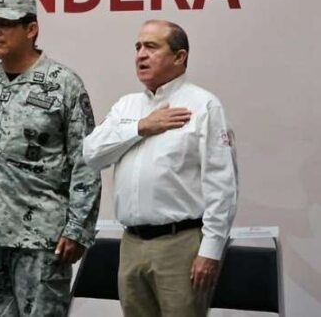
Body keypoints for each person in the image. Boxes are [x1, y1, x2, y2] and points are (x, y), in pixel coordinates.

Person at [0, 0, 101, 317]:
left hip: (40, 239)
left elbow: (85, 162)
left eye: (5, 24)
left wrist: (77, 229)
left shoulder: (62, 84)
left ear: (31, 29)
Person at [83, 20, 239, 317]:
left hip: (181, 245)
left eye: (152, 47)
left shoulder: (204, 105)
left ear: (179, 57)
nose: (141, 55)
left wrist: (210, 251)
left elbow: (223, 186)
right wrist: (141, 127)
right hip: (131, 244)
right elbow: (91, 155)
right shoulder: (126, 107)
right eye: (138, 47)